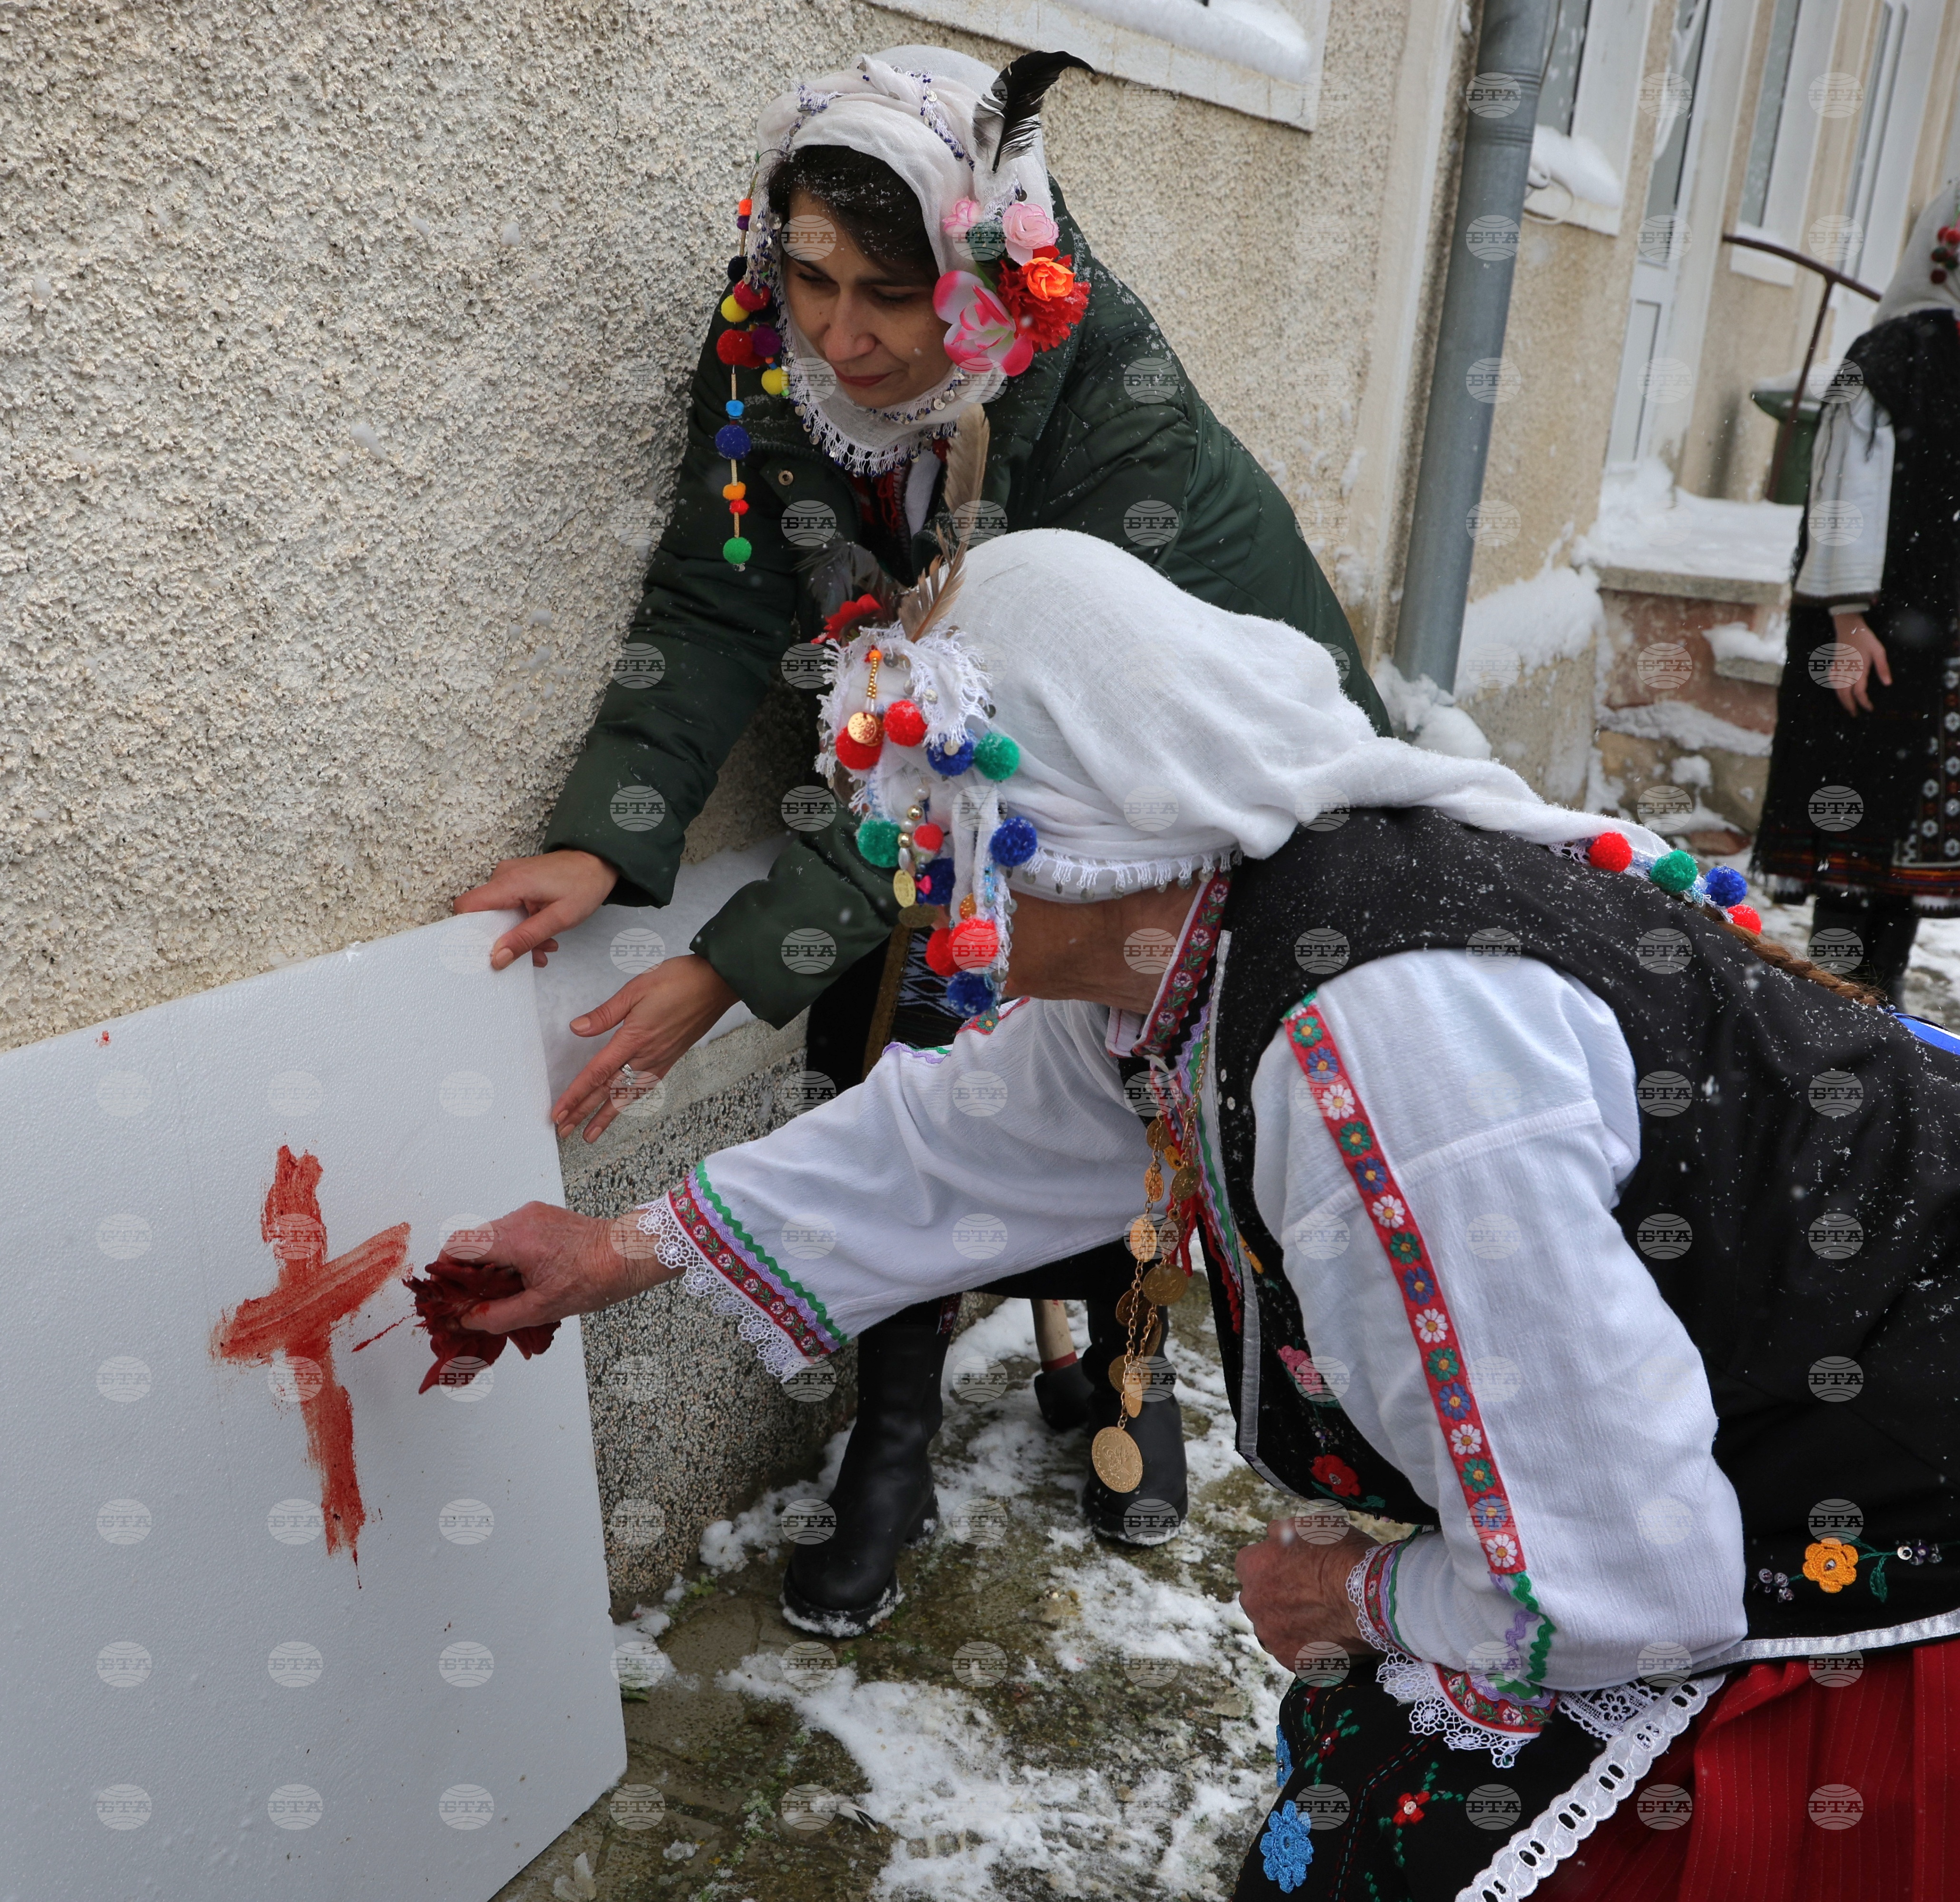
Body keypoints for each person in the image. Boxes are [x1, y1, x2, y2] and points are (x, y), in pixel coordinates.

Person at [456, 528, 1960, 1898]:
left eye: (941, 825)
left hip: (1863, 1525)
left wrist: (1354, 1591)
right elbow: (956, 1137)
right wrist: (612, 1251)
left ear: (1084, 827)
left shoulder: (1379, 1057)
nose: (905, 876)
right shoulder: (1210, 938)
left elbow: (1617, 1582)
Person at [454, 45, 1388, 1636]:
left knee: (1124, 1070)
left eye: (888, 295)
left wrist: (720, 975)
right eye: (811, 280)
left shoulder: (1102, 399)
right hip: (936, 780)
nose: (841, 335)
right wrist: (611, 837)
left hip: (1188, 810)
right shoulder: (771, 345)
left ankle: (1122, 1362)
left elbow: (983, 727)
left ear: (984, 273)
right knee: (913, 1048)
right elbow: (717, 585)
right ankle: (890, 1433)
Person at [1755, 185, 1960, 1002]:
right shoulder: (1890, 357)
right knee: (1853, 812)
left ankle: (1882, 999)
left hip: (1940, 638)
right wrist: (1846, 621)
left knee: (1905, 837)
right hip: (1871, 627)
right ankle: (1834, 999)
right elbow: (1845, 490)